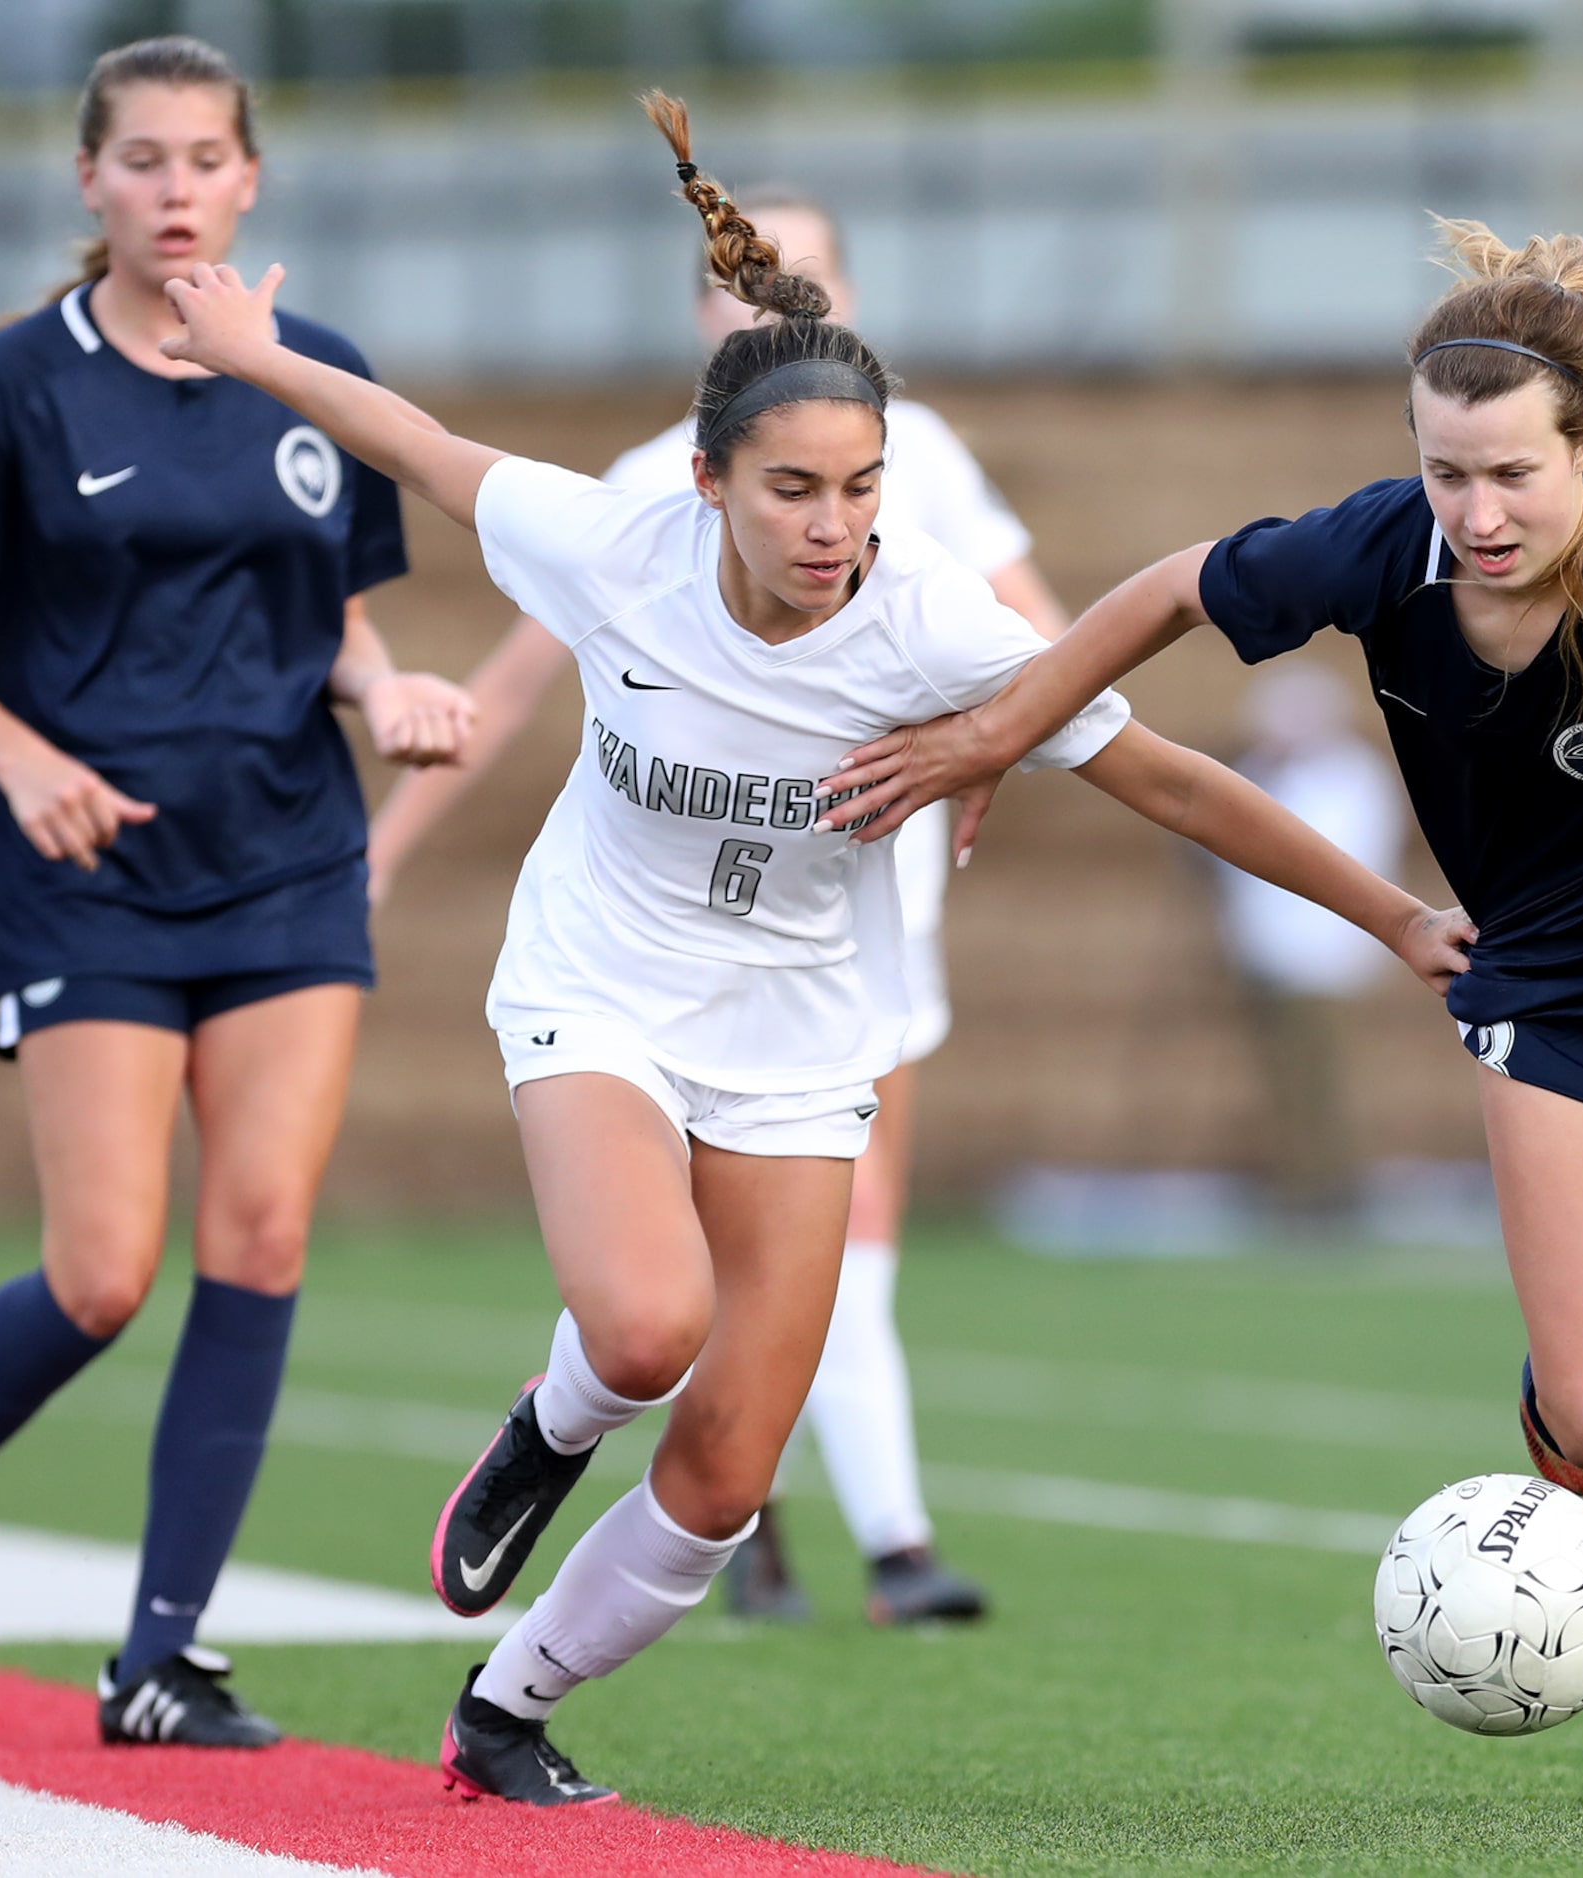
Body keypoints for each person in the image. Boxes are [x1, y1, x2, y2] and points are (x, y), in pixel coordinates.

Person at [157, 92, 1472, 1803]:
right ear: (707, 483)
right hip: (600, 987)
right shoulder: (611, 542)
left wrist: (1393, 915)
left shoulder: (928, 621)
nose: (829, 524)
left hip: (798, 1036)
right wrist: (252, 349)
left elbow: (1169, 777)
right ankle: (548, 1429)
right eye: (789, 489)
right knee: (643, 1328)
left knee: (724, 1467)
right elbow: (410, 439)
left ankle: (506, 1703)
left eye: (859, 487)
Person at [820, 221, 1583, 1814]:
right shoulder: (1378, 552)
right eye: (1445, 472)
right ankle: (1547, 1440)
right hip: (1550, 984)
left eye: (1513, 475)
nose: (1477, 513)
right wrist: (991, 734)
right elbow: (1162, 594)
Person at [0, 36, 474, 1748]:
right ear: (88, 181)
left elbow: (333, 612)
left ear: (252, 179)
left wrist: (383, 693)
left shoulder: (319, 372)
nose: (177, 190)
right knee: (102, 1271)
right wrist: (24, 764)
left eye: (206, 160)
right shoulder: (10, 386)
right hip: (86, 872)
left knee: (256, 1232)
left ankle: (159, 1655)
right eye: (145, 161)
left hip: (287, 861)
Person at [367, 191, 1064, 1629]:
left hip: (849, 931)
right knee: (655, 1299)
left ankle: (846, 1530)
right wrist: (377, 853)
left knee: (825, 1249)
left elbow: (1045, 650)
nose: (829, 519)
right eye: (743, 278)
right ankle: (833, 1528)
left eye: (807, 274)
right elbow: (504, 687)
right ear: (700, 321)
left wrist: (1000, 731)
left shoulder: (914, 450)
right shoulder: (640, 489)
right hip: (645, 947)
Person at [1215, 665, 1406, 1217]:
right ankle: (1304, 1178)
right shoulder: (1266, 775)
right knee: (1290, 1077)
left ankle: (1326, 1188)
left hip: (1322, 958)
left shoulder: (1348, 778)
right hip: (1270, 955)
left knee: (1319, 1078)